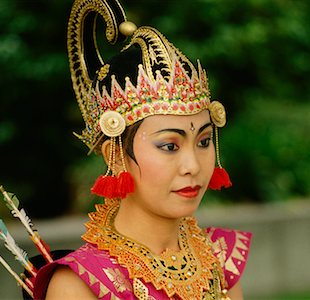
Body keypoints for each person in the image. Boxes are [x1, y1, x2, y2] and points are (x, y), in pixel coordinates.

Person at [33, 0, 252, 299]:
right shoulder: (81, 284)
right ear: (115, 155)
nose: (193, 165)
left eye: (203, 142)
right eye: (169, 146)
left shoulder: (218, 258)